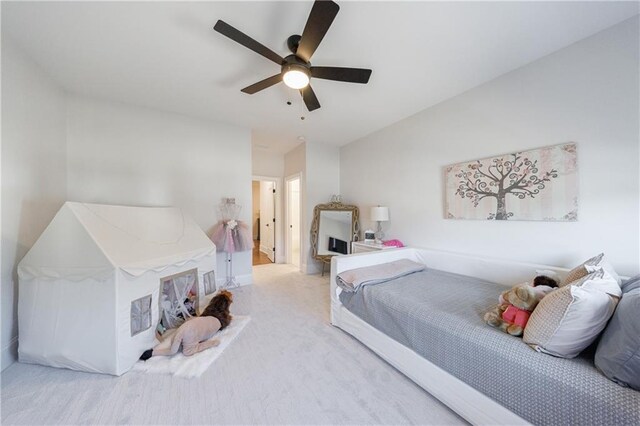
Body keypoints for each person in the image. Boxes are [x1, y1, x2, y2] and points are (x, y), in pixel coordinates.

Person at [140, 290, 233, 360]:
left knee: (174, 346)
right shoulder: (221, 320)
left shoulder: (206, 314)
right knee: (186, 351)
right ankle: (154, 352)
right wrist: (212, 343)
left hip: (186, 327)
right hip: (190, 330)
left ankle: (153, 352)